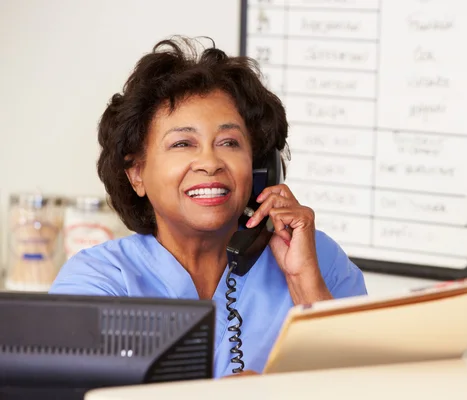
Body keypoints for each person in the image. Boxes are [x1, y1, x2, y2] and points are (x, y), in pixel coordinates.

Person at [49, 36, 367, 378]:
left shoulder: (320, 258)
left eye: (229, 142)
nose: (210, 162)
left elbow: (374, 383)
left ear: (260, 166)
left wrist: (307, 286)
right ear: (137, 173)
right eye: (183, 143)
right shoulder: (98, 282)